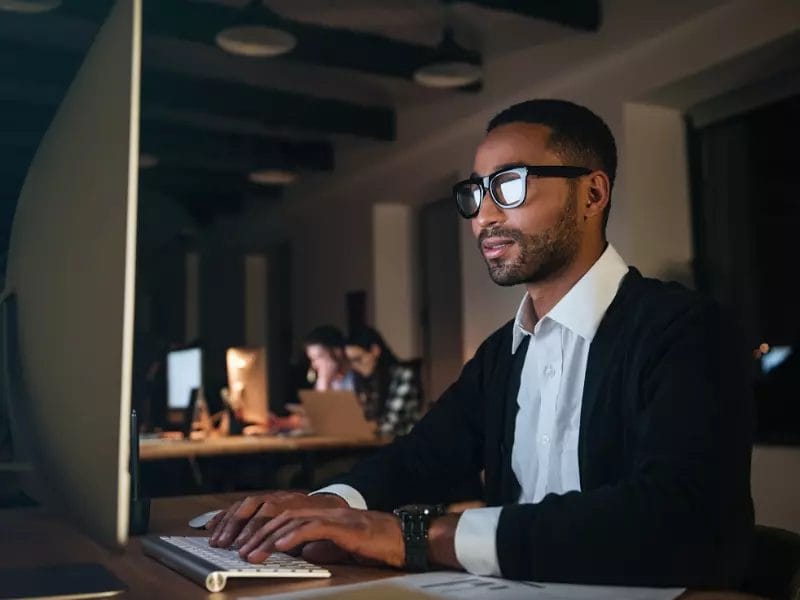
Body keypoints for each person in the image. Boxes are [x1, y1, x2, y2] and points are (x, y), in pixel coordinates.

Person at [208, 99, 754, 588]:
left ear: (592, 192)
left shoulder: (685, 329)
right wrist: (322, 505)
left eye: (509, 185)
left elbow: (679, 516)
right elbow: (420, 460)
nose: (484, 216)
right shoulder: (502, 354)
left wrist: (416, 537)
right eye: (476, 192)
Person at [345, 327, 421, 436]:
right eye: (350, 361)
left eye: (358, 359)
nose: (355, 366)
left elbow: (392, 423)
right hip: (368, 443)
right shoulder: (361, 379)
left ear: (375, 351)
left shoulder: (403, 375)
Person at [303, 325, 355, 392]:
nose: (314, 365)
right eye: (312, 360)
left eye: (319, 357)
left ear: (337, 352)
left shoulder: (357, 379)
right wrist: (324, 381)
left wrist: (324, 380)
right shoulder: (325, 379)